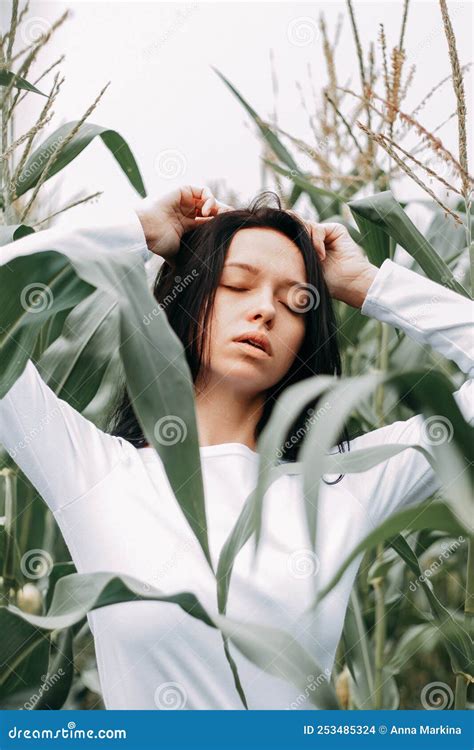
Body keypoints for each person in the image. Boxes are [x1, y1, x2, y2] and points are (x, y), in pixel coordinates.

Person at [0, 186, 472, 710]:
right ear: (188, 296)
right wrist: (137, 230)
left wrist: (365, 285)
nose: (265, 311)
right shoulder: (94, 471)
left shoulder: (347, 486)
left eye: (295, 300)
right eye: (236, 284)